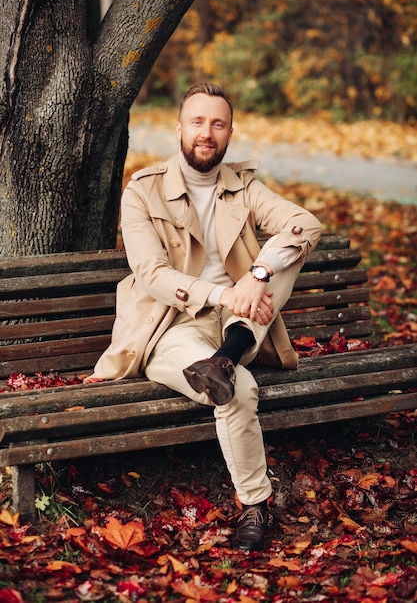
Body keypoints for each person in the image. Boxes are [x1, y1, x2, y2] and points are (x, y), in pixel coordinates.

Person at [86, 82, 322, 552]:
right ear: (179, 128)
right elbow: (152, 274)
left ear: (230, 132)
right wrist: (225, 293)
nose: (206, 133)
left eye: (217, 124)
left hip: (243, 316)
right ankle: (256, 504)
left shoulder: (243, 187)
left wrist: (256, 275)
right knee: (239, 388)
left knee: (288, 250)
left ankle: (227, 355)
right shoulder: (143, 192)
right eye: (197, 122)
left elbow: (307, 222)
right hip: (172, 327)